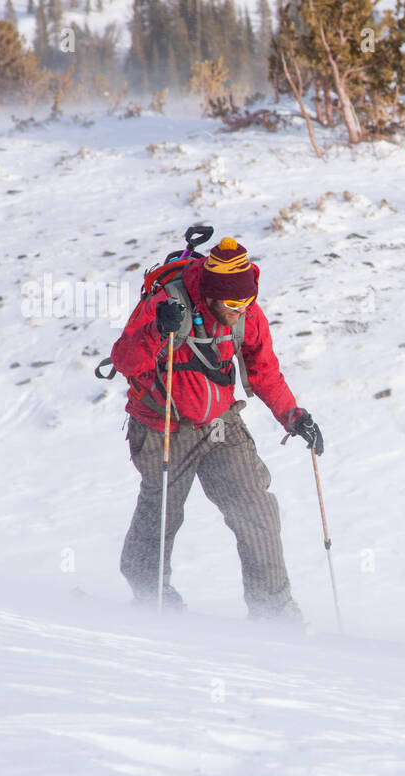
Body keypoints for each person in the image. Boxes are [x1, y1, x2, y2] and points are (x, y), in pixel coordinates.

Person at [109, 236, 323, 617]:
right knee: (163, 511)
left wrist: (294, 416)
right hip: (162, 425)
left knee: (256, 508)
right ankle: (148, 593)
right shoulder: (166, 306)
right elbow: (125, 360)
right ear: (211, 294)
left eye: (246, 302)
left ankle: (272, 609)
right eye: (232, 303)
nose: (241, 311)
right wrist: (159, 331)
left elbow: (264, 372)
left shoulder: (247, 313)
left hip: (220, 424)